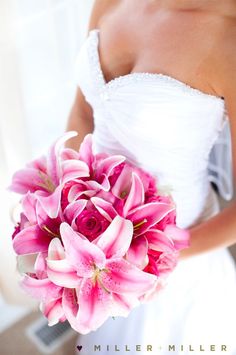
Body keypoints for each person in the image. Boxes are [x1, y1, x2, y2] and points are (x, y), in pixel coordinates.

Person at [66, 1, 236, 354]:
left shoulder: (227, 35)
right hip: (93, 227)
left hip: (179, 249)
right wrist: (68, 203)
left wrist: (155, 259)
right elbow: (83, 112)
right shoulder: (109, 2)